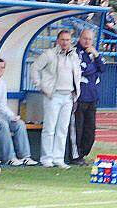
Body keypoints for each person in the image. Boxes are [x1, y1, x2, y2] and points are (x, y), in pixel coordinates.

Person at [31, 29, 81, 169]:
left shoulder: (74, 56)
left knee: (63, 128)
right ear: (58, 41)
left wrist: (76, 92)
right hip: (53, 95)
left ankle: (58, 158)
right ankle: (46, 158)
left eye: (68, 40)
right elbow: (35, 68)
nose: (65, 42)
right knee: (50, 128)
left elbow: (76, 74)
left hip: (68, 95)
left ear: (71, 41)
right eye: (63, 39)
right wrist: (40, 85)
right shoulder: (50, 54)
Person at [68, 30, 104, 166]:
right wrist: (94, 67)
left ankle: (84, 153)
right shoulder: (75, 52)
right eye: (85, 38)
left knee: (90, 129)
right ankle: (76, 156)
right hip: (80, 96)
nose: (87, 41)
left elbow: (103, 68)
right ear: (80, 38)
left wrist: (96, 56)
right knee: (78, 127)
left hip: (92, 97)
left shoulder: (93, 53)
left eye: (89, 39)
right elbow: (83, 70)